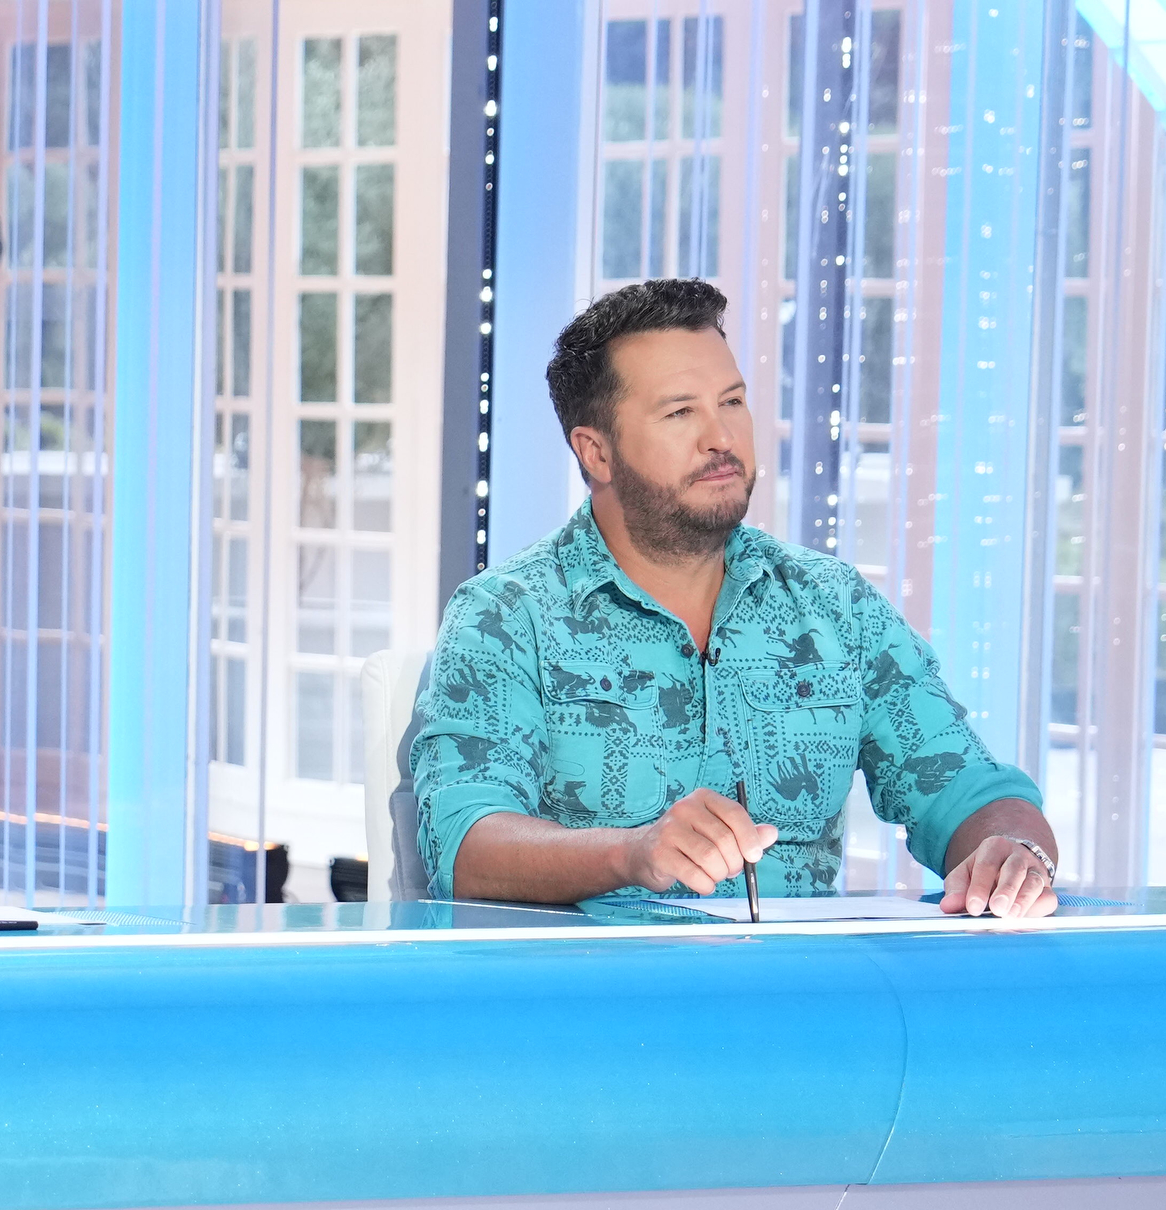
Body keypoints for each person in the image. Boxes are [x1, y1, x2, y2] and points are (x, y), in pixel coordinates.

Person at [411, 278, 1059, 917]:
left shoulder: (835, 606)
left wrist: (1015, 853)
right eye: (680, 412)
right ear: (596, 451)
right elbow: (464, 845)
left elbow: (967, 788)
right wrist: (632, 854)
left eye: (732, 402)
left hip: (798, 1003)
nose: (721, 438)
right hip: (593, 1001)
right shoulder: (505, 615)